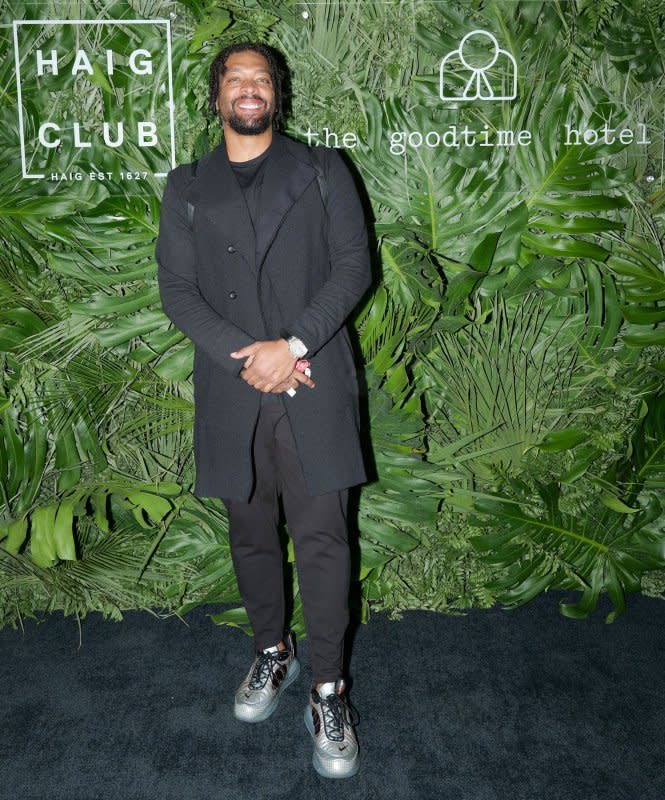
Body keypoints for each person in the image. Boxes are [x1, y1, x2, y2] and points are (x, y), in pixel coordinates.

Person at [155, 42, 371, 779]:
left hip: (313, 385)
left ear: (276, 93)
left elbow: (352, 268)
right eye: (234, 78)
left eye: (260, 78)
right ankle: (271, 653)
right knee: (249, 537)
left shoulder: (321, 169)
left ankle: (328, 689)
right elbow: (177, 293)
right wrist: (251, 355)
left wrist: (295, 343)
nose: (248, 88)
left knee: (323, 542)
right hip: (234, 390)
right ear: (215, 96)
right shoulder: (185, 185)